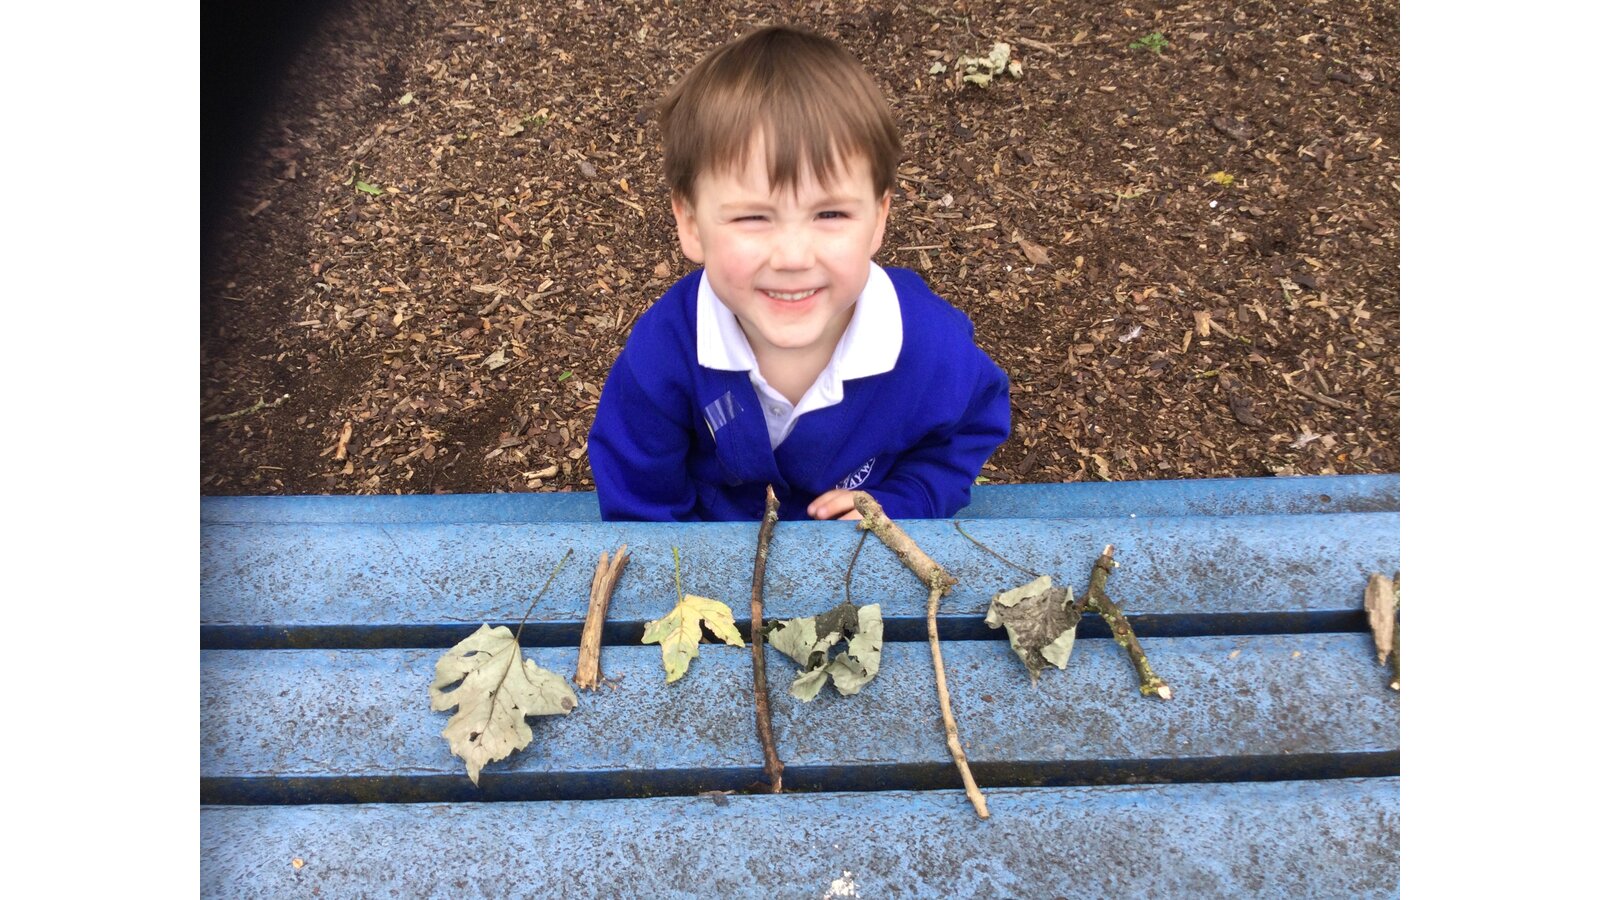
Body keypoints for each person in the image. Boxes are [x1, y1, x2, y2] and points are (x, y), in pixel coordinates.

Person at [588, 25, 1009, 521]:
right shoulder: (665, 353)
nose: (792, 257)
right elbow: (640, 502)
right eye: (752, 217)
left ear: (878, 219)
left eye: (830, 214)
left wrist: (910, 497)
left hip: (858, 553)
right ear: (692, 224)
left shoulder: (928, 345)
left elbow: (970, 426)